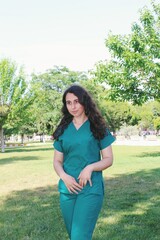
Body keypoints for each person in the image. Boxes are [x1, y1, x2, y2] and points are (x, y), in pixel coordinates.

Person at [53, 84, 115, 240]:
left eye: (76, 101)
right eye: (68, 102)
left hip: (90, 189)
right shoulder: (63, 129)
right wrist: (64, 176)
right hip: (67, 189)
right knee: (73, 235)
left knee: (79, 236)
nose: (73, 106)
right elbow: (57, 161)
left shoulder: (97, 126)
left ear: (84, 102)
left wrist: (90, 167)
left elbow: (108, 159)